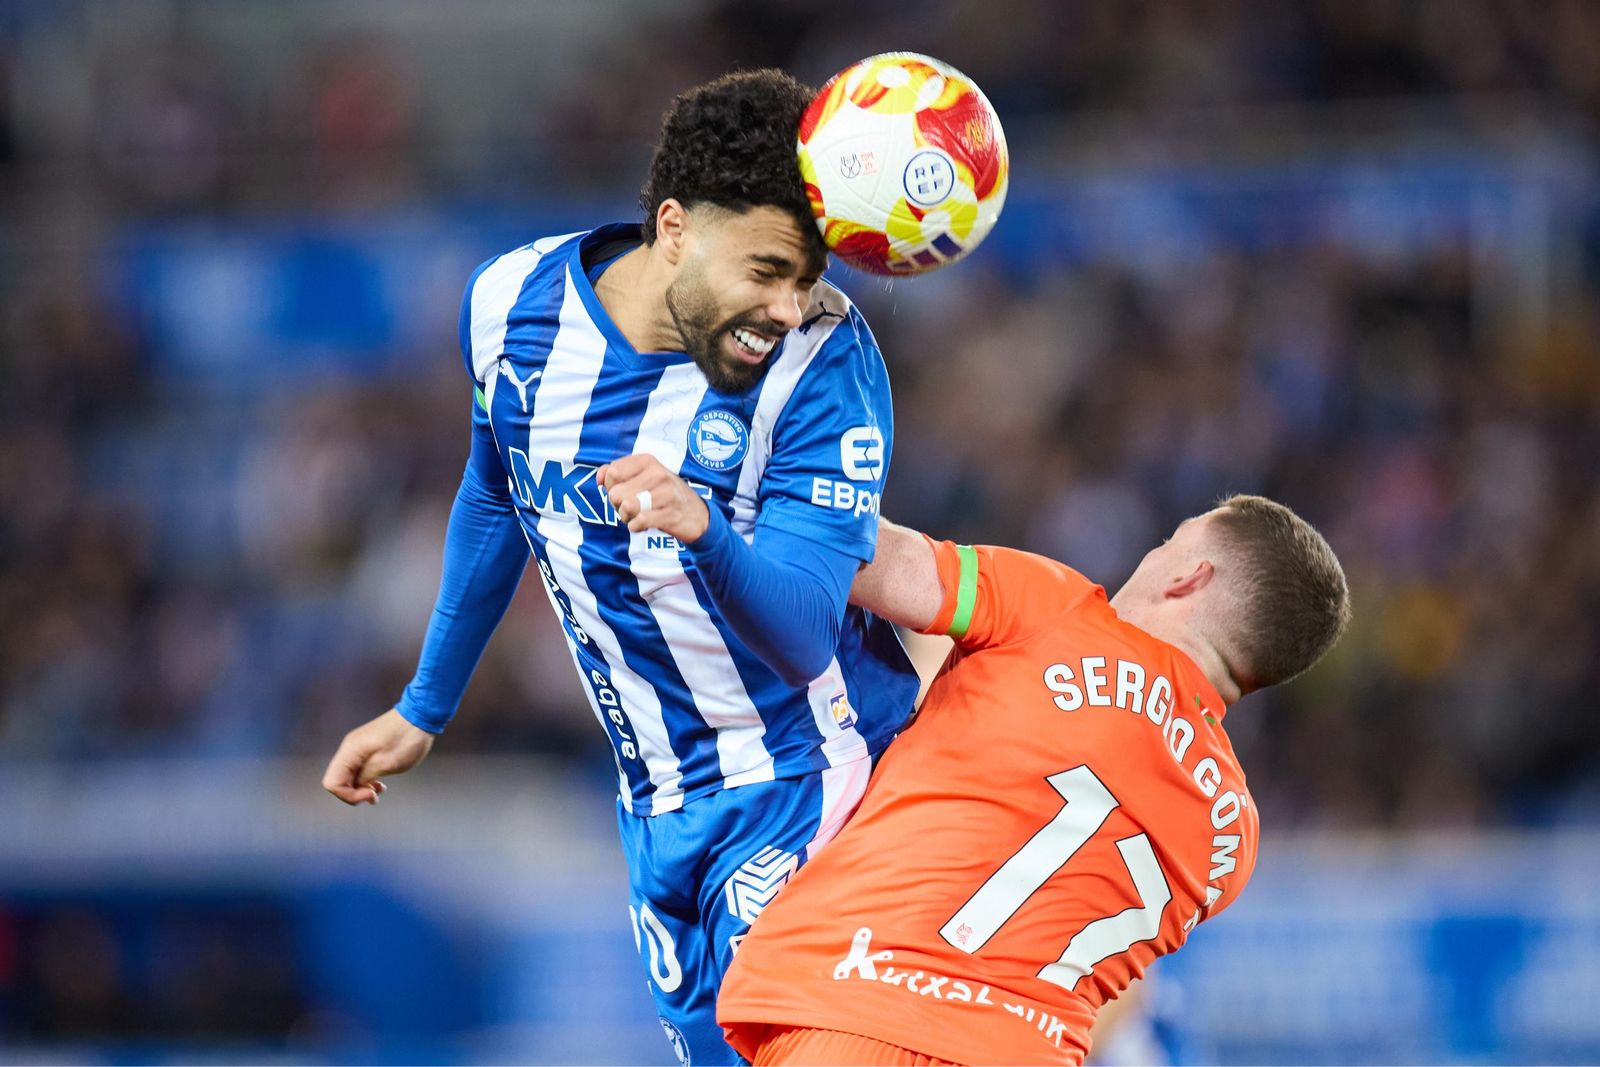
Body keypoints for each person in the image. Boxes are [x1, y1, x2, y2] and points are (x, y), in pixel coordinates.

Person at [319, 69, 919, 1066]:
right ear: (674, 227)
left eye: (806, 276)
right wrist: (424, 705)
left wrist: (704, 530)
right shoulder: (509, 302)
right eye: (767, 268)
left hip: (816, 780)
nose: (786, 306)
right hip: (656, 807)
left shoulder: (825, 363)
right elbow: (497, 491)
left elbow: (806, 633)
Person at [710, 497, 1351, 1066]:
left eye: (1168, 542)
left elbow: (847, 550)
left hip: (857, 1013)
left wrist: (724, 484)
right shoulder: (1232, 841)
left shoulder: (1057, 609)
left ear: (1190, 576)